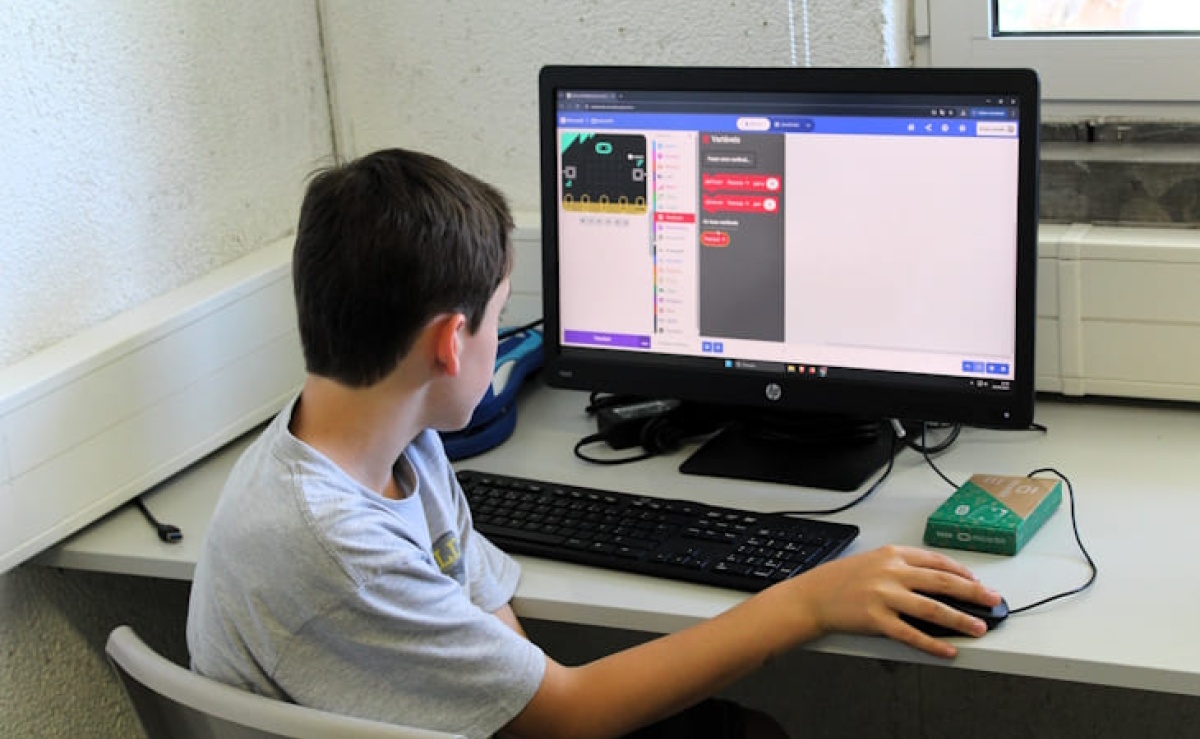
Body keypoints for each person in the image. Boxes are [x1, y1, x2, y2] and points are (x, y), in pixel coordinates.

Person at [186, 147, 1003, 739]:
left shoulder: (386, 432)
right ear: (447, 345)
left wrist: (521, 685)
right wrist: (809, 600)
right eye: (498, 317)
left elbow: (485, 608)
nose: (502, 336)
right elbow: (570, 717)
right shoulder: (335, 542)